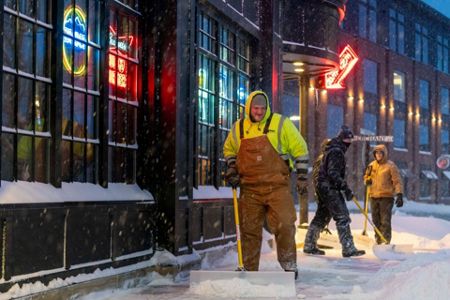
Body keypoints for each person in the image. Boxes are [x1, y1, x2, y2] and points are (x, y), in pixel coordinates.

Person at [223, 90, 309, 279]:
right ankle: (248, 270)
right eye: (256, 108)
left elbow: (300, 148)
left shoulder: (281, 124)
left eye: (262, 108)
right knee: (249, 230)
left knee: (285, 225)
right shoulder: (238, 128)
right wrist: (231, 167)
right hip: (249, 189)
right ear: (248, 108)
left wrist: (302, 176)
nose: (259, 112)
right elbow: (229, 149)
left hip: (277, 187)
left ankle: (289, 267)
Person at [303, 125, 365, 257]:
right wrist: (345, 188)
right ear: (342, 140)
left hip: (323, 187)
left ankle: (309, 244)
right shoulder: (336, 151)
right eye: (347, 142)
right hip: (330, 188)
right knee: (342, 216)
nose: (348, 145)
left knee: (322, 216)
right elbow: (333, 173)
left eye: (350, 142)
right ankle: (348, 248)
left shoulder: (330, 150)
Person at [363, 144, 403, 244]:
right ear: (374, 154)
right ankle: (378, 240)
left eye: (381, 152)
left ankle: (386, 241)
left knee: (385, 220)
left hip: (386, 197)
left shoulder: (391, 166)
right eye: (376, 152)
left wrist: (399, 194)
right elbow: (366, 177)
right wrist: (367, 180)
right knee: (375, 220)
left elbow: (397, 181)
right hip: (373, 196)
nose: (378, 154)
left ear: (384, 154)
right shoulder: (371, 165)